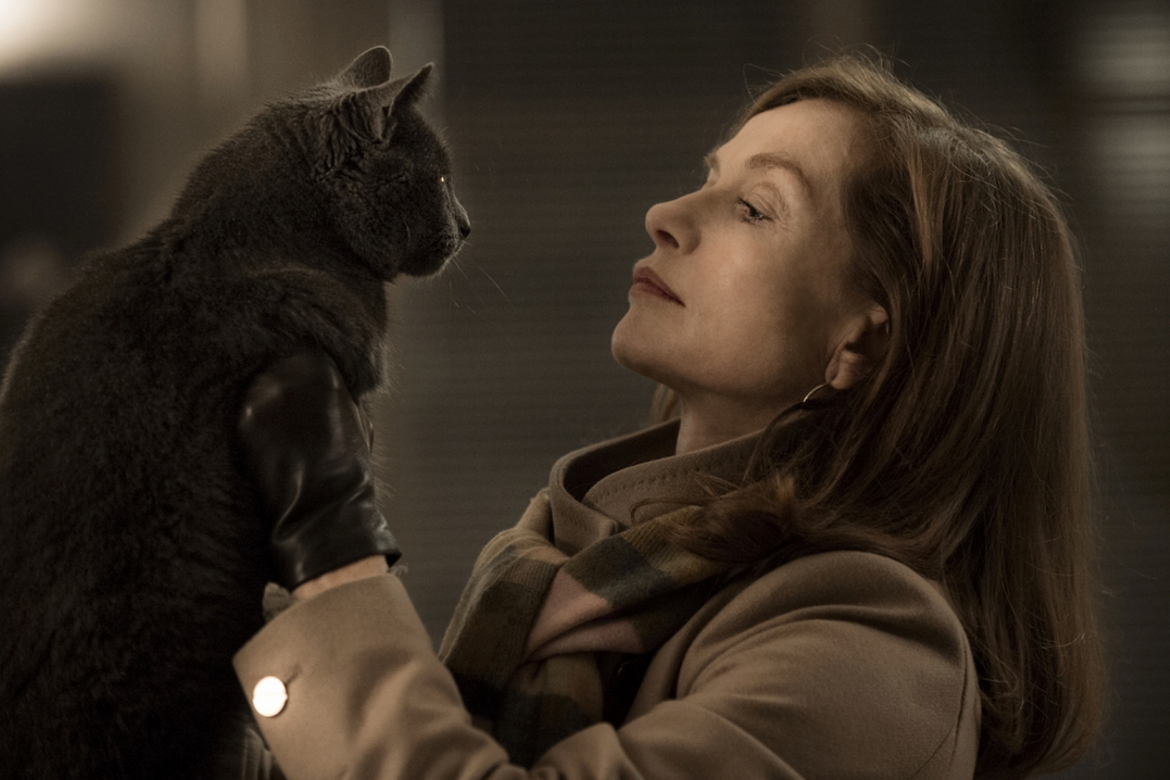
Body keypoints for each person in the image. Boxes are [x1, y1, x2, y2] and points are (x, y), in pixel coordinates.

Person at [232, 53, 1103, 780]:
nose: (665, 217)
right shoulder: (560, 561)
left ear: (862, 341)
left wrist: (337, 560)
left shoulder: (875, 657)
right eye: (707, 179)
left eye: (754, 208)